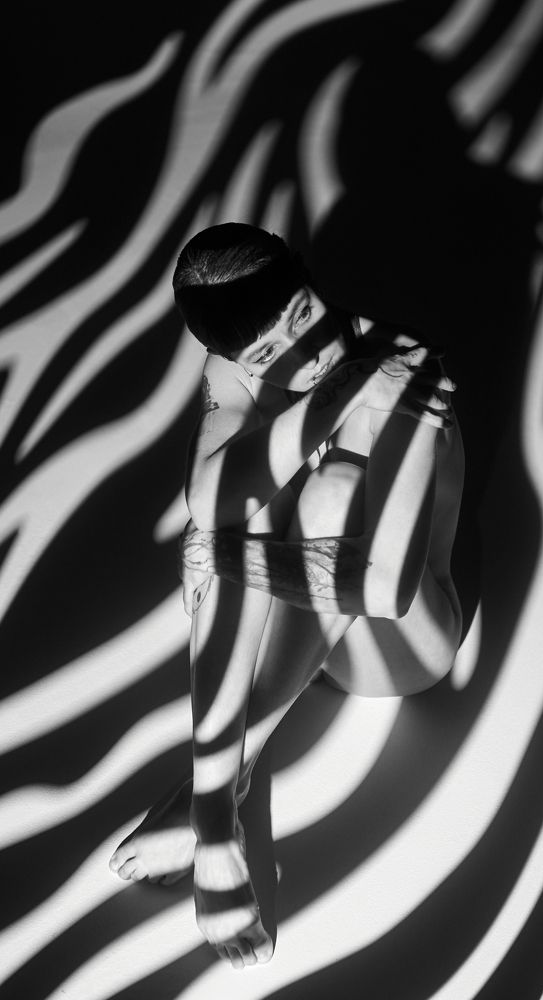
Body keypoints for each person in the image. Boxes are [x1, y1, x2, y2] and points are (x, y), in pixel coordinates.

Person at [109, 223, 464, 969]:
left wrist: (226, 555)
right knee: (240, 510)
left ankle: (211, 795)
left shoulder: (405, 367)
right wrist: (340, 390)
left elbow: (385, 589)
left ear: (310, 280)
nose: (308, 354)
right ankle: (214, 829)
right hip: (310, 613)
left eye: (303, 316)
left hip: (404, 646)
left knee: (323, 499)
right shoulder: (237, 368)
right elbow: (212, 500)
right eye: (268, 354)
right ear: (237, 360)